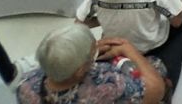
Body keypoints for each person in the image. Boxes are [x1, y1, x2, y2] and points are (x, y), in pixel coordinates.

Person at [17, 23, 167, 104]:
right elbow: (156, 91)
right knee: (159, 63)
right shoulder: (107, 84)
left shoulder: (26, 86)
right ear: (80, 70)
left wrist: (85, 52)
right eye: (92, 52)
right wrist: (129, 49)